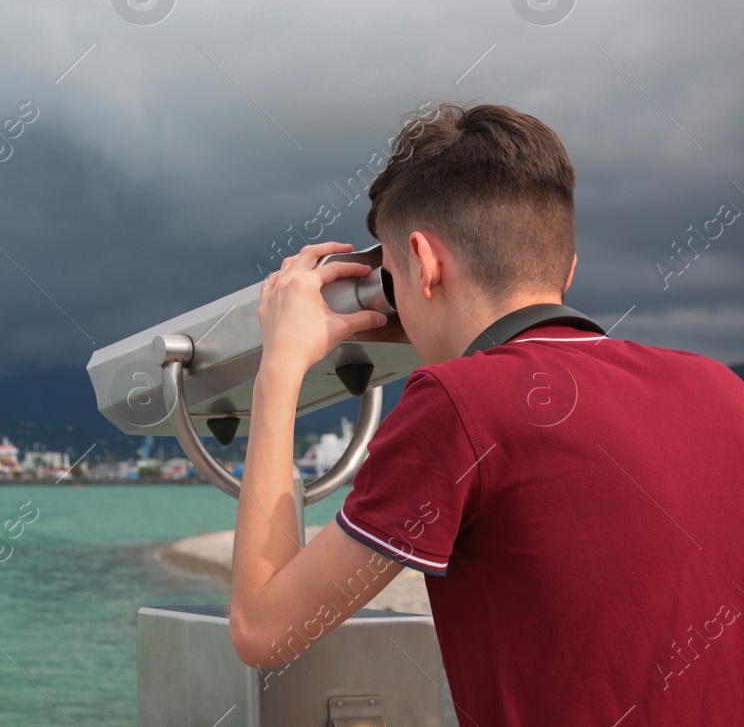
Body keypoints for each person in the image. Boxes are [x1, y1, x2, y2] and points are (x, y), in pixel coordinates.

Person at [228, 103, 744, 726]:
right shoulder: (717, 388)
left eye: (390, 277)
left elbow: (263, 630)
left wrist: (279, 370)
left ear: (423, 262)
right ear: (568, 269)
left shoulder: (458, 403)